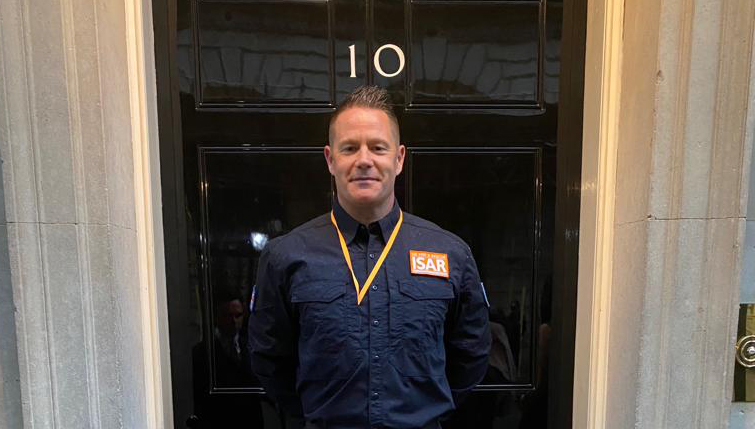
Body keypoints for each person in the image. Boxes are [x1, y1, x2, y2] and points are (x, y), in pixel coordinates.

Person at [248, 85, 491, 429]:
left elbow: (471, 354)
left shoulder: (450, 253)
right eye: (350, 148)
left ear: (399, 158)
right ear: (331, 159)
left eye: (378, 147)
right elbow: (270, 360)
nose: (364, 160)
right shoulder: (285, 256)